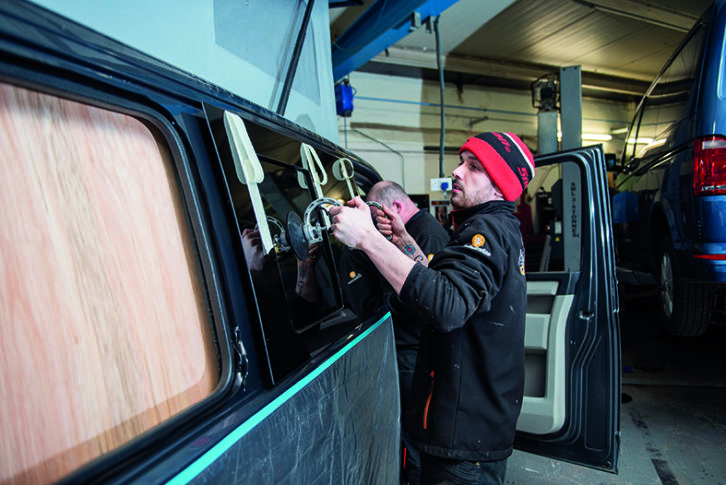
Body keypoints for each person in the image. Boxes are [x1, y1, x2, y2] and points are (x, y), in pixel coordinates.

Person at [329, 132, 534, 485]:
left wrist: (368, 240)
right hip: (471, 429)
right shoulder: (493, 228)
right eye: (461, 161)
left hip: (464, 439)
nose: (457, 171)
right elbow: (452, 286)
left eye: (473, 167)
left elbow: (447, 306)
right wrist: (404, 243)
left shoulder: (485, 231)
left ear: (500, 186)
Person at [338, 181, 449, 484]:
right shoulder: (419, 231)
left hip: (413, 350)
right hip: (411, 351)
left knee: (414, 438)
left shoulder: (427, 234)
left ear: (395, 209)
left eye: (375, 216)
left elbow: (430, 295)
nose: (376, 226)